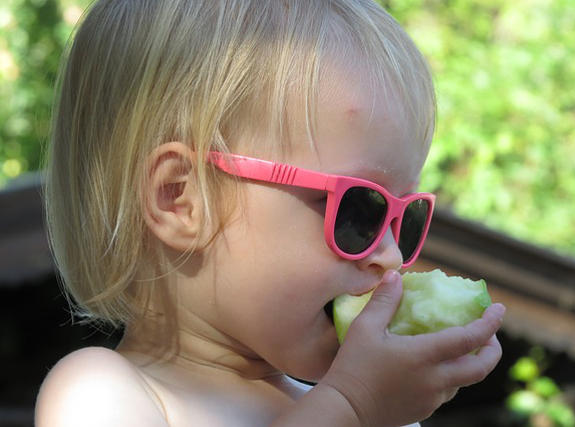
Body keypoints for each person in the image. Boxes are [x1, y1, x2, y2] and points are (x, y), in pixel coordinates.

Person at [35, 0, 505, 426]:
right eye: (359, 209)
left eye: (407, 219)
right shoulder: (101, 392)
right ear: (180, 198)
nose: (389, 257)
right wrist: (353, 407)